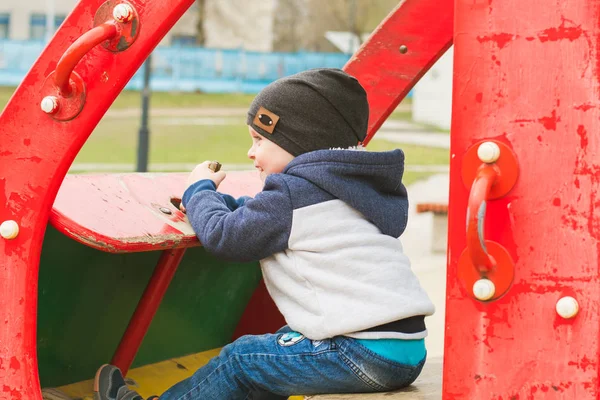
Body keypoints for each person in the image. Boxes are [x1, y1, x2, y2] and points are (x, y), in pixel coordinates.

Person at [94, 68, 435, 400]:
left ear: (300, 141)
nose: (251, 152)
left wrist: (198, 192)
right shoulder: (346, 191)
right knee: (274, 356)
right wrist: (220, 203)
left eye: (259, 140)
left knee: (243, 359)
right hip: (405, 351)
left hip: (361, 352)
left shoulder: (293, 195)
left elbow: (226, 236)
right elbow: (262, 215)